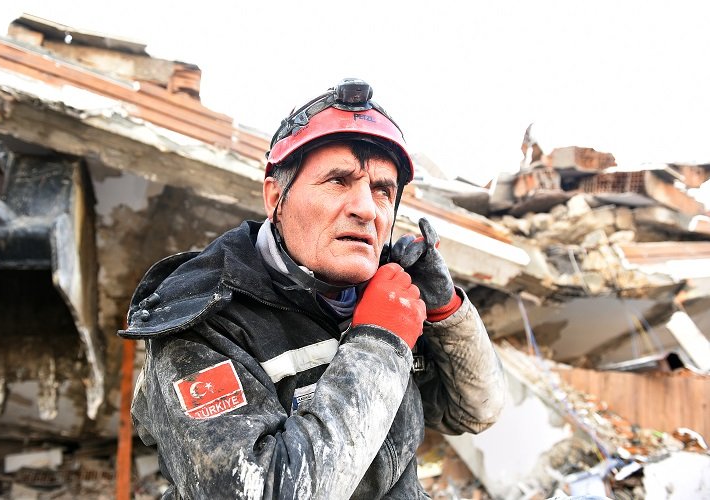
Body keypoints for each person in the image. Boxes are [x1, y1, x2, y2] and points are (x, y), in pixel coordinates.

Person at [119, 78, 505, 499]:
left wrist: (446, 311)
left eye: (382, 190)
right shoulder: (203, 320)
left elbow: (475, 410)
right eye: (339, 180)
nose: (366, 209)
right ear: (275, 198)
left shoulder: (386, 297)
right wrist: (378, 342)